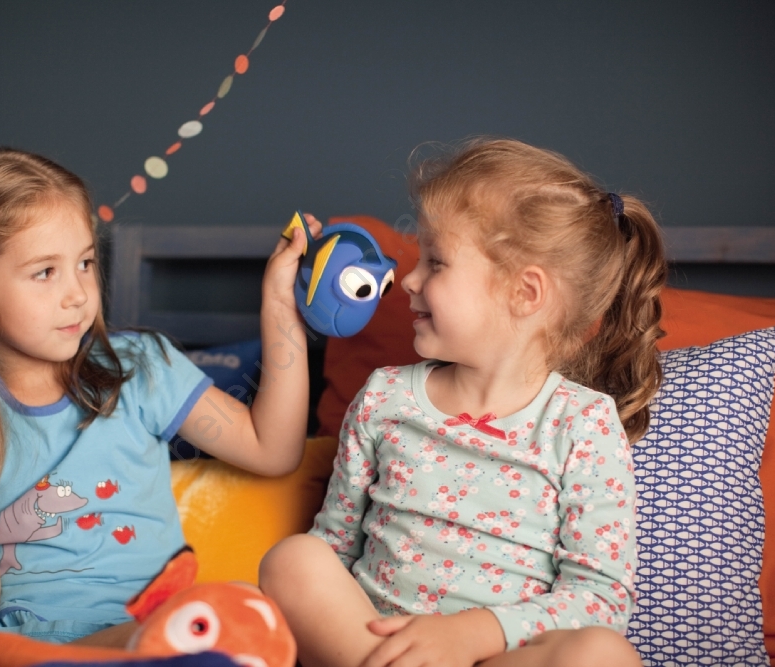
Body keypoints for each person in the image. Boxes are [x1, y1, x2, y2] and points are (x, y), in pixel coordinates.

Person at [0, 146, 316, 646]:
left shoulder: (142, 368)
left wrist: (278, 305)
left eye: (86, 263)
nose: (78, 294)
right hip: (6, 641)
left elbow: (271, 448)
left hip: (145, 631)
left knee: (235, 610)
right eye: (45, 272)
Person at [260, 138, 665, 667]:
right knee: (294, 559)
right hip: (376, 646)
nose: (409, 280)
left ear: (525, 293)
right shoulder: (384, 397)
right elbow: (336, 545)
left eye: (435, 262)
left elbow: (600, 598)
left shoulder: (582, 423)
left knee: (602, 653)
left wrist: (474, 634)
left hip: (501, 656)